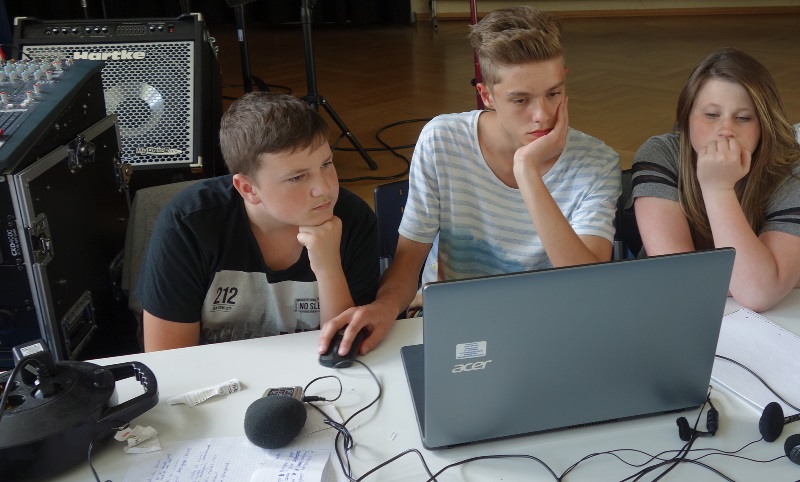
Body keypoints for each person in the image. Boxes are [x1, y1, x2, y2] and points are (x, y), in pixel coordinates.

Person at [319, 6, 621, 357]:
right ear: (487, 96)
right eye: (521, 100)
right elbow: (408, 262)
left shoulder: (598, 162)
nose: (542, 115)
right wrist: (384, 306)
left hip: (551, 326)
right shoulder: (441, 140)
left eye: (553, 93)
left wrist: (527, 170)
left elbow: (586, 287)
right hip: (457, 323)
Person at [138, 92, 379, 352]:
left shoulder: (353, 219)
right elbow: (169, 360)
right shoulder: (187, 226)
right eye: (297, 177)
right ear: (248, 189)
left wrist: (329, 268)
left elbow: (345, 351)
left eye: (326, 164)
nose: (323, 188)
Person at [632, 48, 800, 312]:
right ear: (686, 117)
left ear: (764, 126)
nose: (726, 130)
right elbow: (680, 279)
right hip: (673, 311)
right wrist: (756, 276)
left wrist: (718, 189)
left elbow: (756, 293)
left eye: (743, 118)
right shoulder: (661, 154)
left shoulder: (792, 171)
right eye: (711, 115)